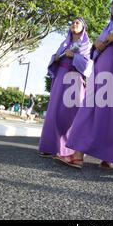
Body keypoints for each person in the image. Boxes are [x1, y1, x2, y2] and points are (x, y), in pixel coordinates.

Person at [58, 0, 113, 169]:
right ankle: (77, 155)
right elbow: (94, 51)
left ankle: (108, 158)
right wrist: (97, 45)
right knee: (90, 109)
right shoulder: (107, 27)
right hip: (102, 72)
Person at [38, 17, 92, 158]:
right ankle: (50, 146)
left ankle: (69, 149)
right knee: (54, 111)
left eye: (77, 23)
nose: (74, 24)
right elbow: (56, 58)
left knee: (70, 113)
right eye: (72, 22)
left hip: (74, 79)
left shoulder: (86, 44)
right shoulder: (65, 43)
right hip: (60, 77)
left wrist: (74, 56)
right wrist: (55, 58)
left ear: (83, 27)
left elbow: (86, 64)